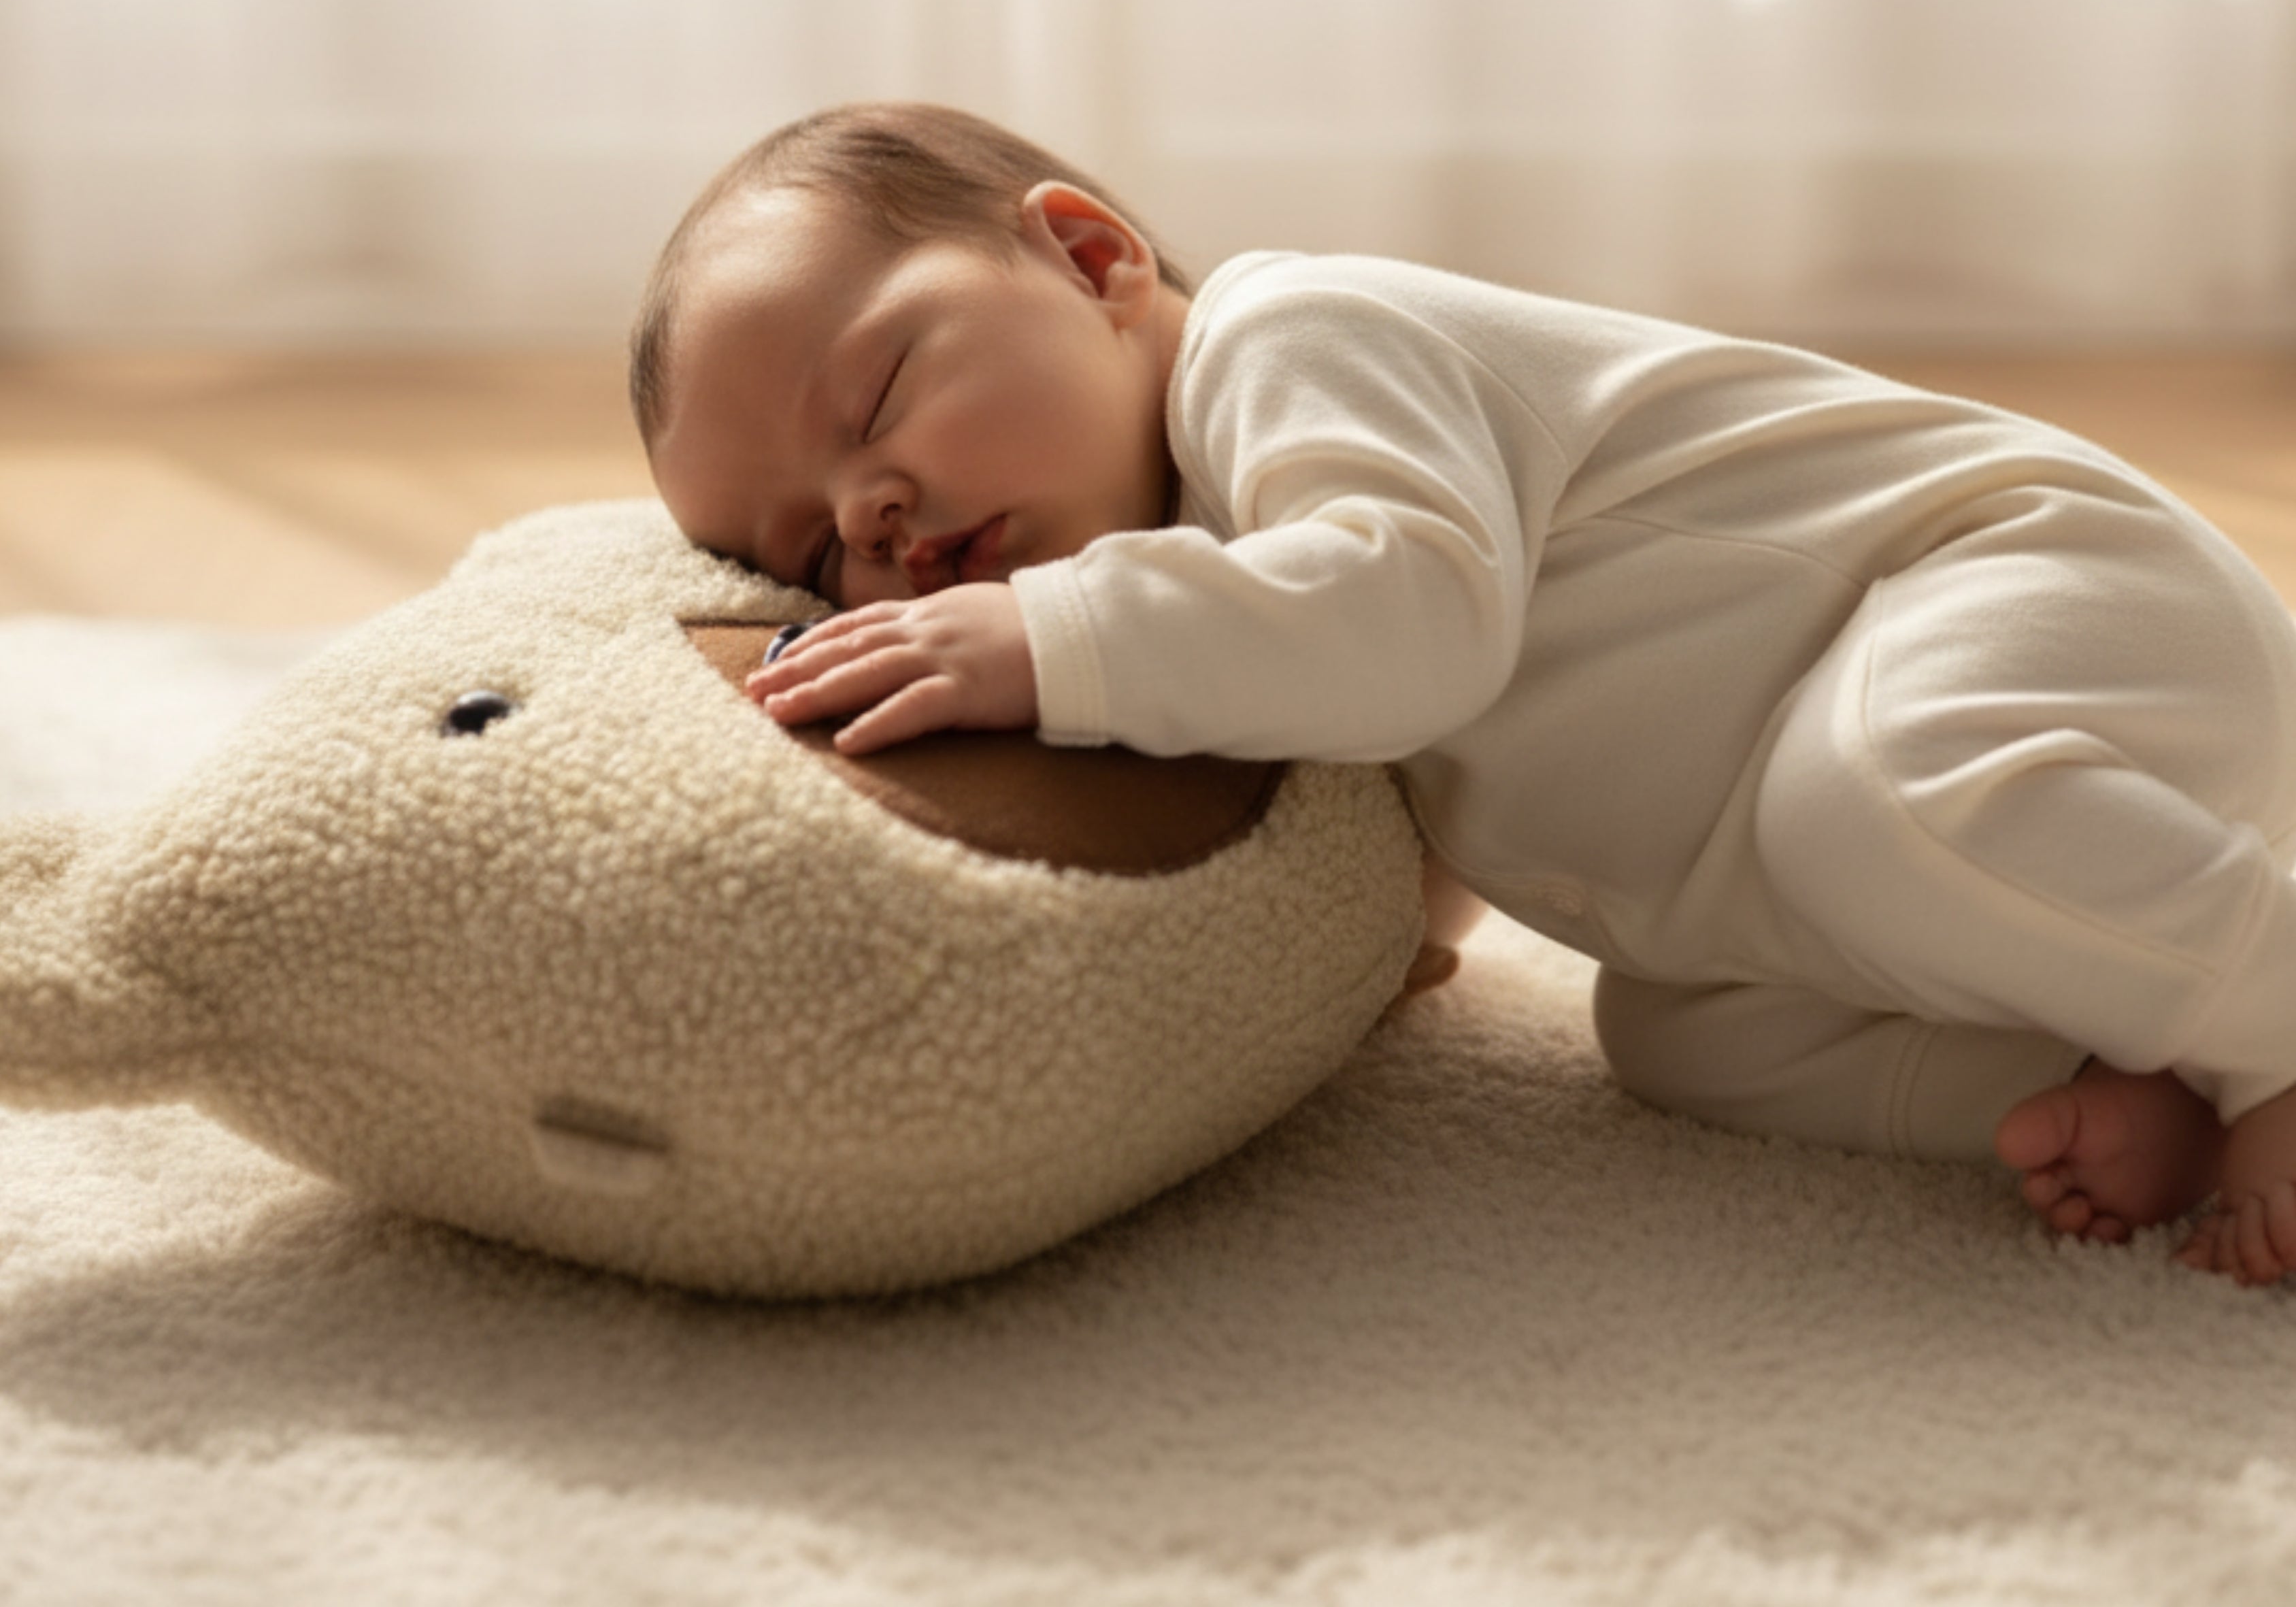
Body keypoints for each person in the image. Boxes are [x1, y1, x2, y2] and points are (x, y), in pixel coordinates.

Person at [633, 101, 2296, 1287]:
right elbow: (1393, 746)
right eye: (811, 545)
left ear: (1086, 256)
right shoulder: (1210, 588)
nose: (874, 518)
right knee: (1672, 1034)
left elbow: (1409, 620)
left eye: (880, 390)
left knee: (1878, 801)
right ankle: (2116, 1069)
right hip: (1782, 817)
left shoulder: (1292, 339)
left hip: (2015, 584)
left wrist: (1041, 637)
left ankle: (2269, 1021)